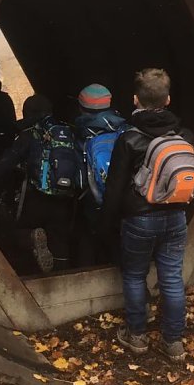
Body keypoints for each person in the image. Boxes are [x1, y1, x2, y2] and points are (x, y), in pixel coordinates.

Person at [101, 68, 194, 361]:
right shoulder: (184, 134)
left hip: (139, 219)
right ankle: (173, 341)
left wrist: (106, 221)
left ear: (135, 99)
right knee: (171, 278)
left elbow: (114, 187)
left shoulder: (128, 139)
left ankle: (137, 336)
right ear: (167, 99)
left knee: (134, 275)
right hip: (176, 216)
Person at [0, 94, 77, 273]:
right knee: (60, 240)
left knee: (16, 229)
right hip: (64, 199)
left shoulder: (29, 135)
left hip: (36, 198)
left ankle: (32, 238)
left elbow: (6, 161)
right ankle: (63, 279)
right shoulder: (67, 132)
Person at [73, 83, 127, 265]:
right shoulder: (123, 128)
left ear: (81, 107)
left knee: (88, 236)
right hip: (125, 200)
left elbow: (80, 180)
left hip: (95, 202)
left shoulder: (83, 133)